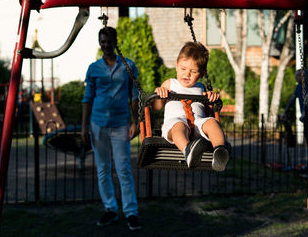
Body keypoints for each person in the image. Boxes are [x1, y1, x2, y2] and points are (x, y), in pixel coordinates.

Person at [81, 26, 140, 231]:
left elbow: (135, 96)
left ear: (115, 42)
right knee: (103, 169)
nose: (105, 45)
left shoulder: (128, 65)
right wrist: (83, 127)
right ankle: (110, 210)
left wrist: (136, 121)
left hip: (121, 123)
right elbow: (87, 98)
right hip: (98, 124)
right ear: (100, 43)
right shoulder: (93, 68)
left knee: (123, 169)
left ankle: (131, 212)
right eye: (102, 41)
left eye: (109, 41)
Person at [152, 41, 230, 171]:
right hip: (175, 123)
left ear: (202, 73)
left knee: (212, 122)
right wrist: (159, 93)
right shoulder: (170, 84)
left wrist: (211, 99)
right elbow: (156, 106)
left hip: (197, 124)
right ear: (176, 65)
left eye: (193, 71)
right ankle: (188, 151)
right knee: (179, 127)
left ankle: (220, 151)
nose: (187, 74)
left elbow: (208, 110)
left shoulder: (201, 88)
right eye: (183, 69)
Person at [281, 69, 308, 173]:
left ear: (304, 76)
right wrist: (285, 111)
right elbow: (292, 98)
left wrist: (305, 113)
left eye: (297, 76)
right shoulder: (298, 87)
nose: (296, 78)